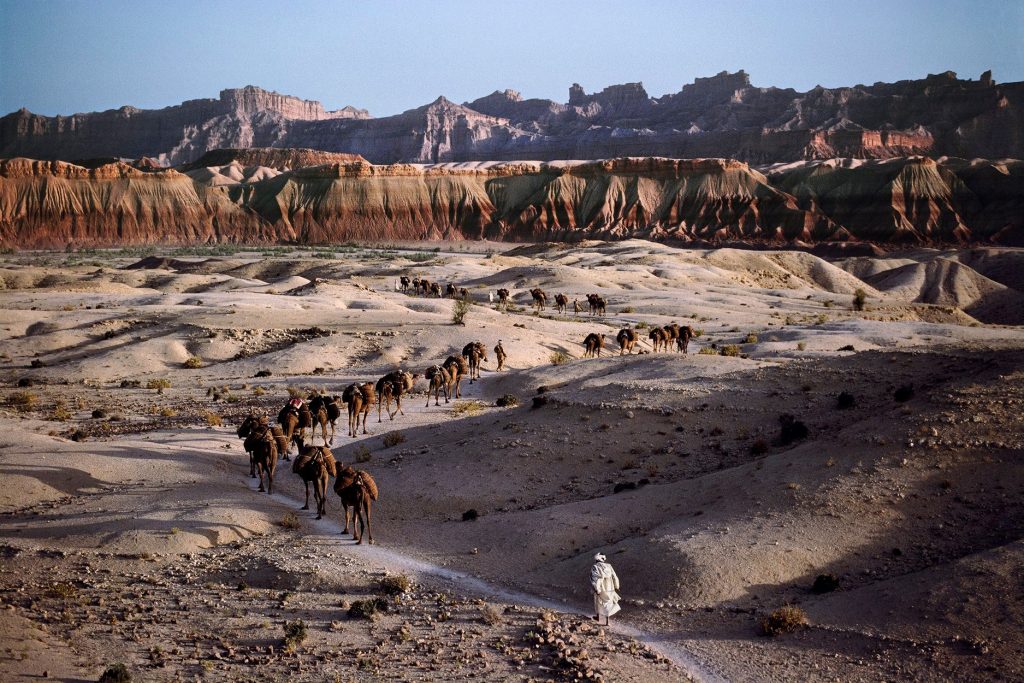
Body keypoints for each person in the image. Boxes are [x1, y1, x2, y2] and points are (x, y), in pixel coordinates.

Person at [590, 552, 620, 625]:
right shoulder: (609, 566)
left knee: (598, 602)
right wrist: (617, 586)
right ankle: (607, 622)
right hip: (610, 587)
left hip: (601, 587)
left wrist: (597, 589)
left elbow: (595, 579)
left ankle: (598, 617)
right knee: (608, 603)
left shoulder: (595, 567)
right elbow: (614, 576)